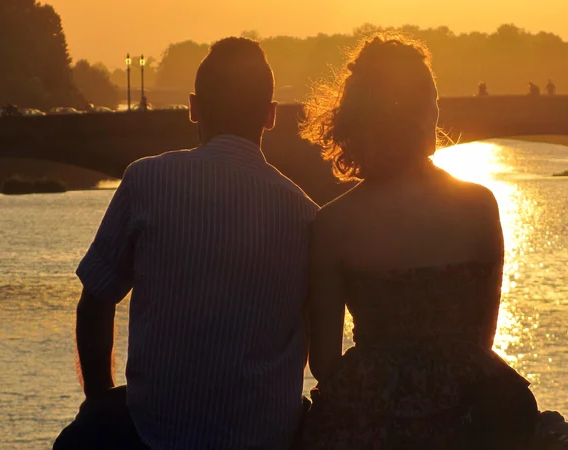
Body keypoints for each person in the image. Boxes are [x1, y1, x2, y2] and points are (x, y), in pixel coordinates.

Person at [54, 37, 318, 450]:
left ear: (193, 108)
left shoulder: (146, 181)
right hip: (265, 436)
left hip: (155, 431)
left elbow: (96, 302)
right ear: (270, 117)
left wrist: (101, 403)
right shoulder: (306, 215)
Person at [298, 33, 539, 449]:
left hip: (366, 418)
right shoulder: (478, 206)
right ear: (424, 114)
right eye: (433, 100)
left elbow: (322, 361)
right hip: (459, 419)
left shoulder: (333, 223)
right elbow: (481, 341)